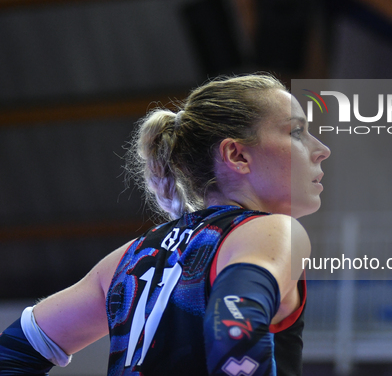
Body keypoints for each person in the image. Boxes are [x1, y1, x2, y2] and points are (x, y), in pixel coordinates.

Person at [0, 74, 330, 375]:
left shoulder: (126, 258)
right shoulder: (269, 232)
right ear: (237, 155)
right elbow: (232, 329)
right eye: (296, 132)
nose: (322, 150)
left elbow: (12, 353)